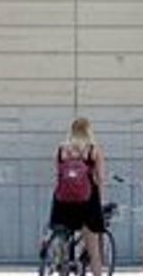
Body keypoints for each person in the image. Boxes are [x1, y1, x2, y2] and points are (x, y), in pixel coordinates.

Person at [49, 117, 108, 276]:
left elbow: (58, 175)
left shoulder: (62, 149)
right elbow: (101, 178)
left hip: (63, 202)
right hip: (87, 203)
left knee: (63, 239)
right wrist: (101, 201)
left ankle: (62, 262)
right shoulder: (93, 149)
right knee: (94, 250)